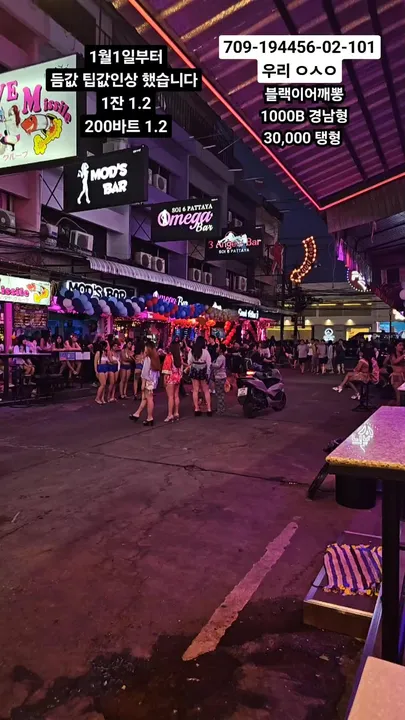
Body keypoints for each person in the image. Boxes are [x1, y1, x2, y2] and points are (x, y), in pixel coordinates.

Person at [129, 341, 160, 425]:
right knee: (145, 398)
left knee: (149, 399)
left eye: (146, 348)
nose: (145, 349)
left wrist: (143, 383)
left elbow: (145, 373)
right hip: (152, 380)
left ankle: (150, 418)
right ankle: (137, 413)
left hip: (148, 381)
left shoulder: (148, 358)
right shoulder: (155, 357)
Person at [187, 336, 212, 416]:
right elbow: (209, 363)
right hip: (203, 371)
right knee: (206, 390)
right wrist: (208, 373)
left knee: (195, 390)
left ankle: (196, 409)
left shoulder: (192, 351)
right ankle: (209, 409)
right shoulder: (205, 352)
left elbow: (189, 362)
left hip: (194, 371)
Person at [162, 341, 183, 422]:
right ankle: (176, 413)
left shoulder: (169, 356)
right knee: (176, 395)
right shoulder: (179, 356)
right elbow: (180, 367)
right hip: (177, 377)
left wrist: (164, 379)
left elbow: (166, 369)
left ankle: (170, 414)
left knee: (170, 397)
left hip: (170, 377)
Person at [212, 343, 227, 415]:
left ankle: (220, 409)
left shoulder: (221, 357)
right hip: (221, 376)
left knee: (219, 393)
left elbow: (218, 366)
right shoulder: (221, 357)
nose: (216, 348)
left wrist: (211, 364)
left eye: (218, 347)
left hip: (220, 377)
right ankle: (220, 408)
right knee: (220, 393)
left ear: (220, 350)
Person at [94, 341, 110, 405]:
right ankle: (97, 398)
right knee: (102, 384)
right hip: (100, 368)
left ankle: (102, 398)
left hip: (106, 368)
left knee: (104, 385)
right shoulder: (98, 352)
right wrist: (96, 371)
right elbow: (95, 362)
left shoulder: (105, 353)